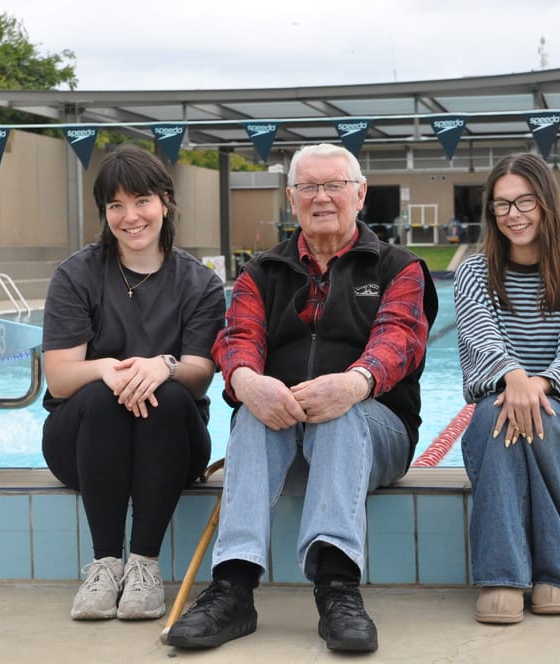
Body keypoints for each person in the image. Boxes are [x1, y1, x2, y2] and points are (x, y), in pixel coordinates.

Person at [165, 143, 438, 652]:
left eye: (334, 185)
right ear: (291, 199)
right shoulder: (261, 272)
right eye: (309, 187)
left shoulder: (398, 268)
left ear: (360, 194)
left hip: (375, 431)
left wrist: (353, 384)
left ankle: (337, 587)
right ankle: (233, 588)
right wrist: (247, 381)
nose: (322, 198)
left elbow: (399, 340)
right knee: (250, 414)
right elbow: (238, 338)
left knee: (341, 416)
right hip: (281, 432)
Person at [40, 145, 226, 621]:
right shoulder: (76, 275)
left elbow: (201, 373)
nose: (130, 217)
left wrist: (164, 364)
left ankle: (143, 565)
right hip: (82, 442)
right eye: (115, 206)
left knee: (164, 392)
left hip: (172, 444)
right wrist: (106, 368)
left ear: (165, 201)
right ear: (105, 213)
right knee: (103, 395)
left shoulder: (199, 283)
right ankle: (105, 565)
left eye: (141, 201)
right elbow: (60, 380)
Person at [453, 152, 560, 625]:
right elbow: (479, 341)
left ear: (545, 204)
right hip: (499, 415)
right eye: (501, 205)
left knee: (530, 416)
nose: (513, 215)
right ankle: (546, 576)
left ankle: (508, 578)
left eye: (524, 202)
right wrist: (514, 378)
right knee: (498, 415)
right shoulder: (474, 274)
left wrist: (533, 385)